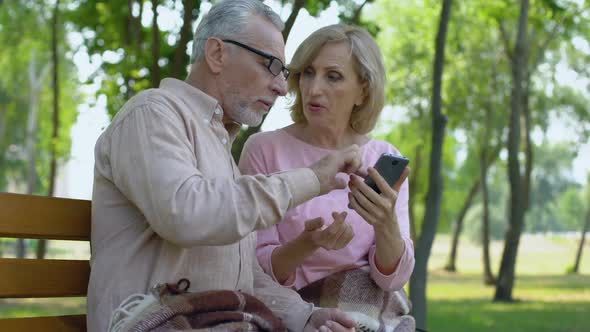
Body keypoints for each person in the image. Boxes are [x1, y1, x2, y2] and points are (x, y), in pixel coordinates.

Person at [87, 2, 363, 331]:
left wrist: (305, 316)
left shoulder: (220, 148)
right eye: (270, 65)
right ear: (217, 54)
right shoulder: (151, 114)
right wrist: (313, 178)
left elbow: (243, 276)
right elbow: (187, 213)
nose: (280, 87)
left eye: (283, 74)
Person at [238, 24, 415, 329]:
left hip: (366, 307)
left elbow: (392, 279)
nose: (313, 88)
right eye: (307, 72)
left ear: (363, 90)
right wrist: (309, 243)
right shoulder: (263, 149)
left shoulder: (385, 158)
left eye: (332, 76)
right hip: (286, 309)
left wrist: (386, 223)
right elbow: (254, 269)